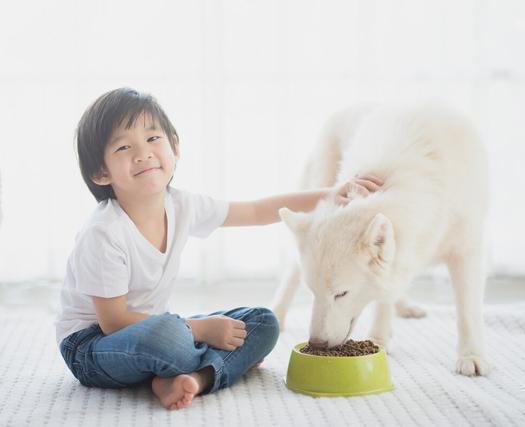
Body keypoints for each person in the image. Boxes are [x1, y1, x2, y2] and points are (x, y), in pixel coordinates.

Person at [54, 87, 384, 410]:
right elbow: (113, 322)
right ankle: (202, 362)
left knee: (263, 323)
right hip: (93, 347)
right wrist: (198, 329)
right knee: (168, 337)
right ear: (101, 172)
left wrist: (331, 194)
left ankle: (193, 379)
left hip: (161, 329)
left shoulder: (181, 205)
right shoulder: (104, 233)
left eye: (153, 139)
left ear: (175, 147)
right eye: (124, 147)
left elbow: (255, 211)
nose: (143, 153)